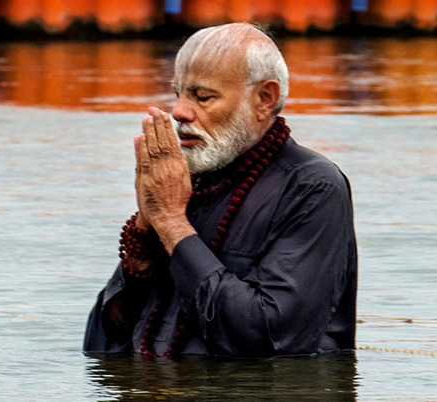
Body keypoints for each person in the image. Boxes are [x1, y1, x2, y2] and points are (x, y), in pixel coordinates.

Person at [84, 22, 357, 358]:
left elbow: (270, 340)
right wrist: (146, 226)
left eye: (202, 96)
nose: (179, 112)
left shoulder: (313, 187)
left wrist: (171, 224)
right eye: (178, 94)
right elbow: (100, 345)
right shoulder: (189, 181)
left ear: (264, 99)